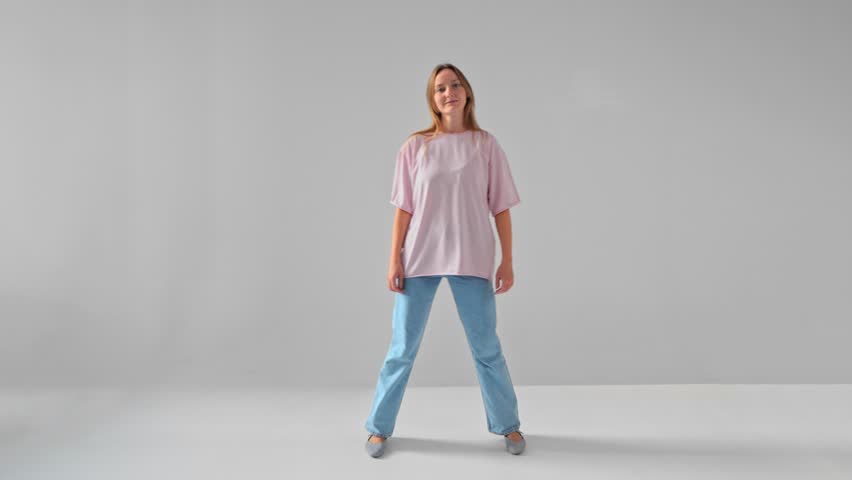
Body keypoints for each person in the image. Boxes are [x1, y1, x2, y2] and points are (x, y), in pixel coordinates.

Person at [364, 63, 525, 458]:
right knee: (402, 348)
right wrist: (394, 260)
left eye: (455, 85)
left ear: (467, 92)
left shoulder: (486, 145)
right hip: (420, 258)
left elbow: (501, 208)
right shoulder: (415, 147)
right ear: (433, 100)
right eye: (440, 88)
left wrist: (507, 261)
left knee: (486, 348)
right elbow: (404, 209)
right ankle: (378, 428)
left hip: (472, 257)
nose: (448, 92)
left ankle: (508, 425)